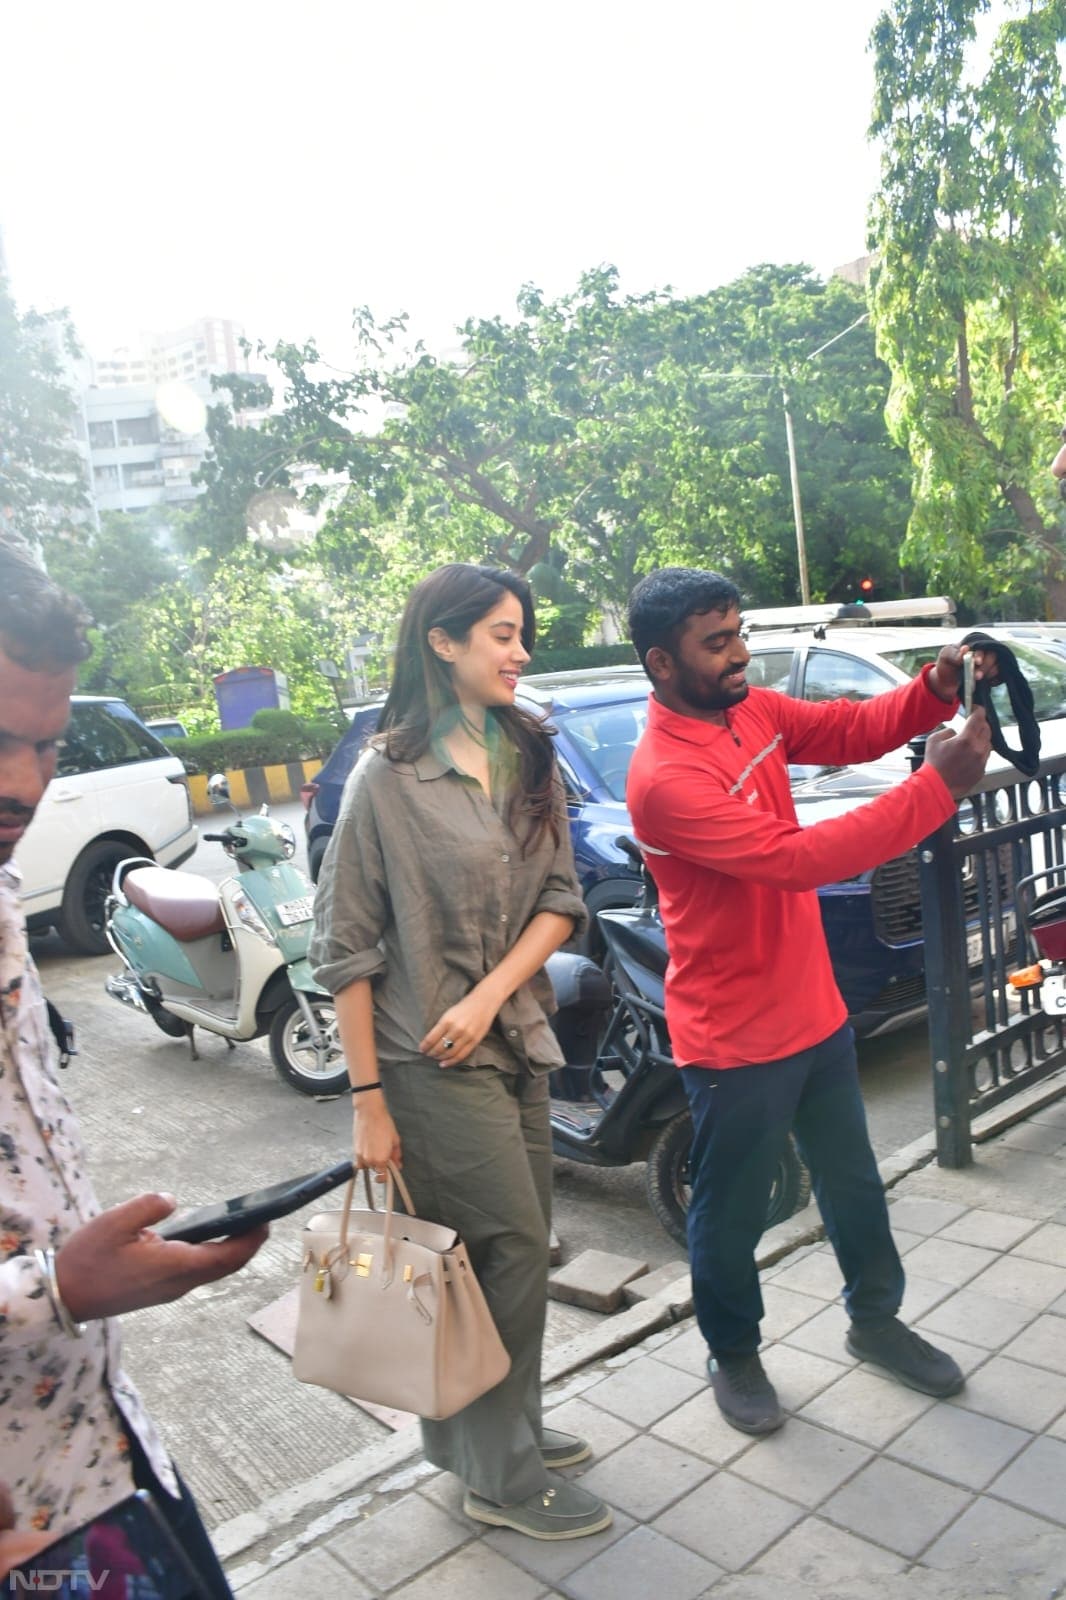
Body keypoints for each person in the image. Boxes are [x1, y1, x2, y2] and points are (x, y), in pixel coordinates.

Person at [625, 567, 995, 1437]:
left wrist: (933, 690)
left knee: (854, 1184)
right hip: (734, 1037)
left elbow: (847, 728)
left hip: (814, 1009)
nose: (739, 654)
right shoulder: (664, 779)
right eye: (716, 644)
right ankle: (736, 1351)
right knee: (732, 1209)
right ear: (662, 663)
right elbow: (798, 859)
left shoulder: (748, 710)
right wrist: (937, 787)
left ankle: (875, 1321)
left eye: (739, 632)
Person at [310, 563, 612, 1541]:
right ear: (441, 642)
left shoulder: (530, 753)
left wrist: (487, 996)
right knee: (509, 1248)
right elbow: (344, 949)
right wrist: (367, 1103)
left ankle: (497, 1430)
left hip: (514, 1034)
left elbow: (562, 899)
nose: (520, 651)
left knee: (510, 1251)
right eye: (500, 633)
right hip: (421, 1062)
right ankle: (498, 1473)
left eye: (521, 632)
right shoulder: (385, 780)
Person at [0, 536, 265, 1595]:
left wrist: (73, 1276)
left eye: (47, 747)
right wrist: (57, 1287)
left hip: (105, 1455)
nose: (22, 784)